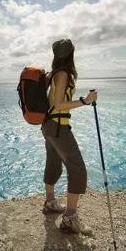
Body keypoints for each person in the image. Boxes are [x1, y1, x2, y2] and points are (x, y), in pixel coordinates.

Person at [41, 39, 97, 234]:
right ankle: (70, 219)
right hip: (57, 127)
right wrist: (85, 101)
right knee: (77, 168)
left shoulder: (54, 73)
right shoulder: (63, 74)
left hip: (48, 126)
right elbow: (58, 104)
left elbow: (54, 101)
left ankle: (50, 203)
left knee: (54, 162)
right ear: (71, 54)